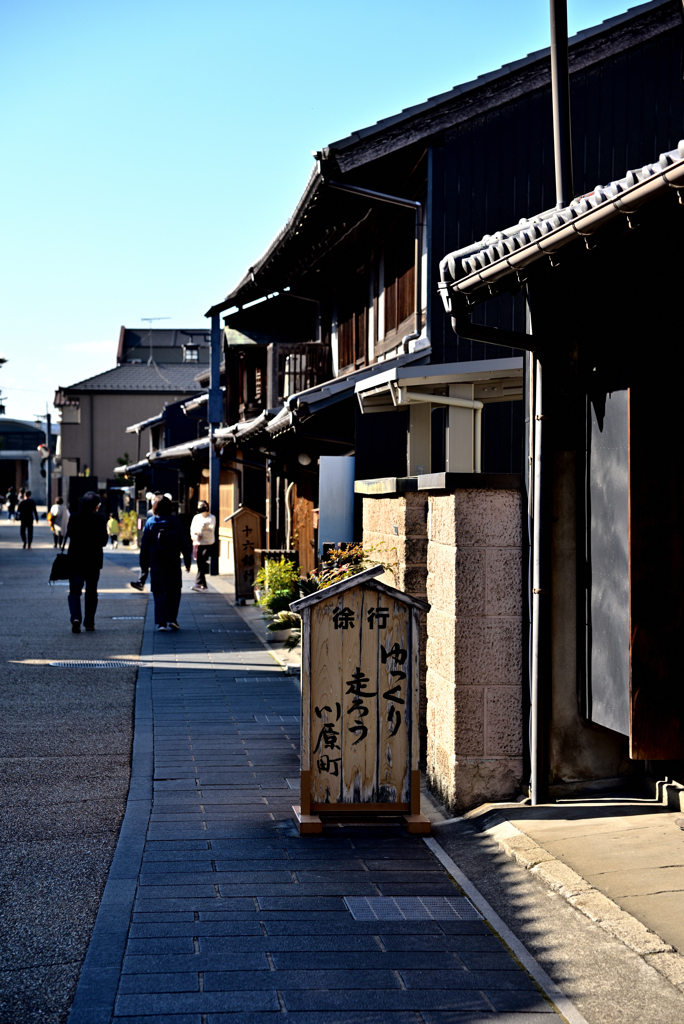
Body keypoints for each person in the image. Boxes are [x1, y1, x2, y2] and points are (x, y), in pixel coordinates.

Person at [139, 495, 192, 631]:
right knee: (174, 590)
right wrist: (187, 560)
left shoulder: (150, 522)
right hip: (173, 560)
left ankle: (161, 622)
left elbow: (144, 545)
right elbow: (183, 542)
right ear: (170, 507)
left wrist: (144, 565)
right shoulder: (176, 521)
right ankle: (172, 619)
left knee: (159, 591)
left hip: (156, 561)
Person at [65, 491, 107, 633]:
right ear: (95, 506)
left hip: (76, 559)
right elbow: (104, 541)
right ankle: (89, 622)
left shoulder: (75, 518)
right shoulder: (100, 519)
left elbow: (70, 534)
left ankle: (76, 617)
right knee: (91, 591)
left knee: (74, 591)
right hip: (93, 561)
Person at [190, 500, 216, 591]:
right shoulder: (196, 517)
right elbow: (193, 529)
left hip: (208, 544)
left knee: (202, 561)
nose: (202, 507)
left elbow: (210, 531)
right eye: (200, 505)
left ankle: (198, 582)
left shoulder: (211, 517)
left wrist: (201, 531)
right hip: (197, 543)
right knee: (200, 563)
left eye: (203, 505)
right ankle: (203, 584)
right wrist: (195, 535)